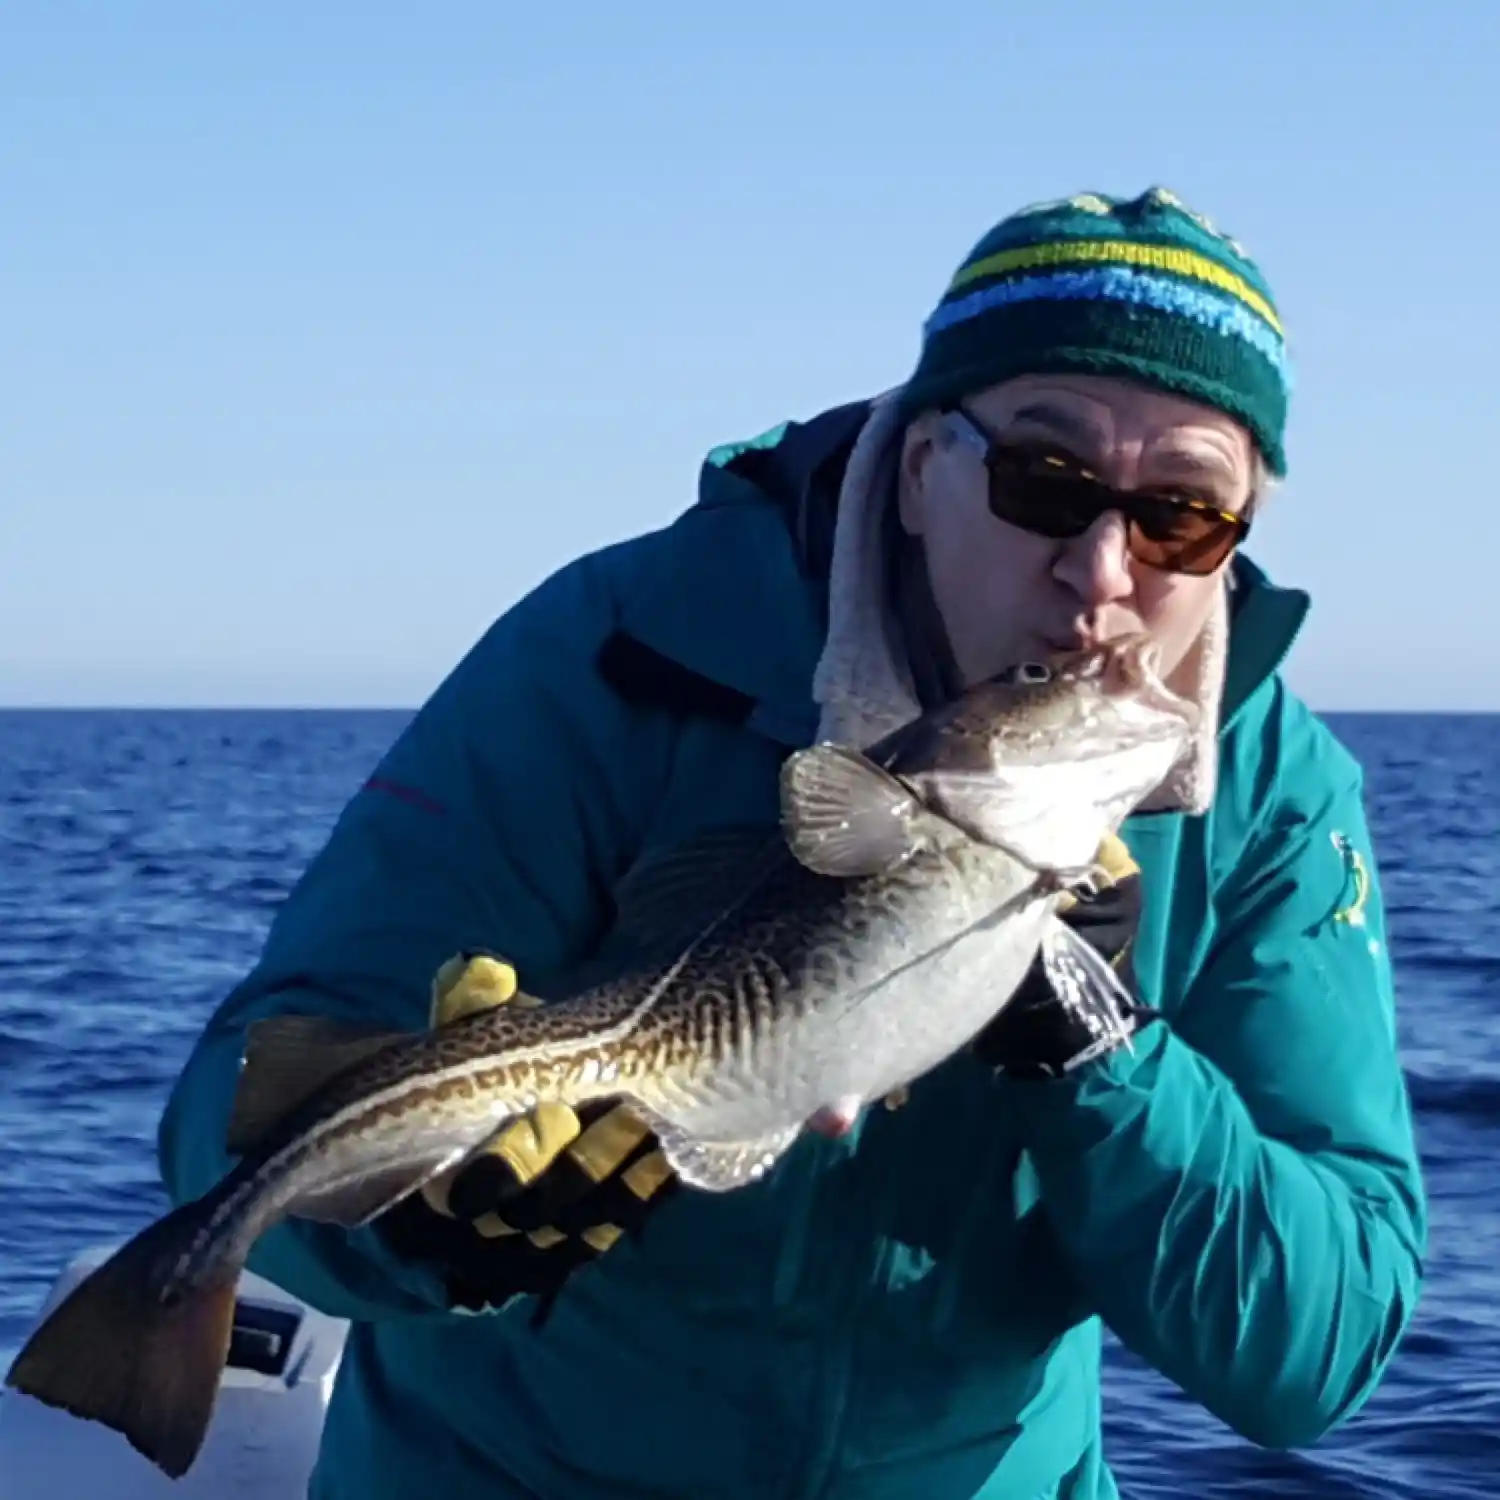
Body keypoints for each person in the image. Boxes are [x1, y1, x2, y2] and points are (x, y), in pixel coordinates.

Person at [158, 186, 1427, 1500]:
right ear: (926, 470)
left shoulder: (1269, 785)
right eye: (1043, 481)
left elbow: (1315, 1354)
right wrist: (430, 1237)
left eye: (1183, 514)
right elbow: (235, 1108)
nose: (1103, 572)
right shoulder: (617, 648)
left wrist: (1104, 1059)